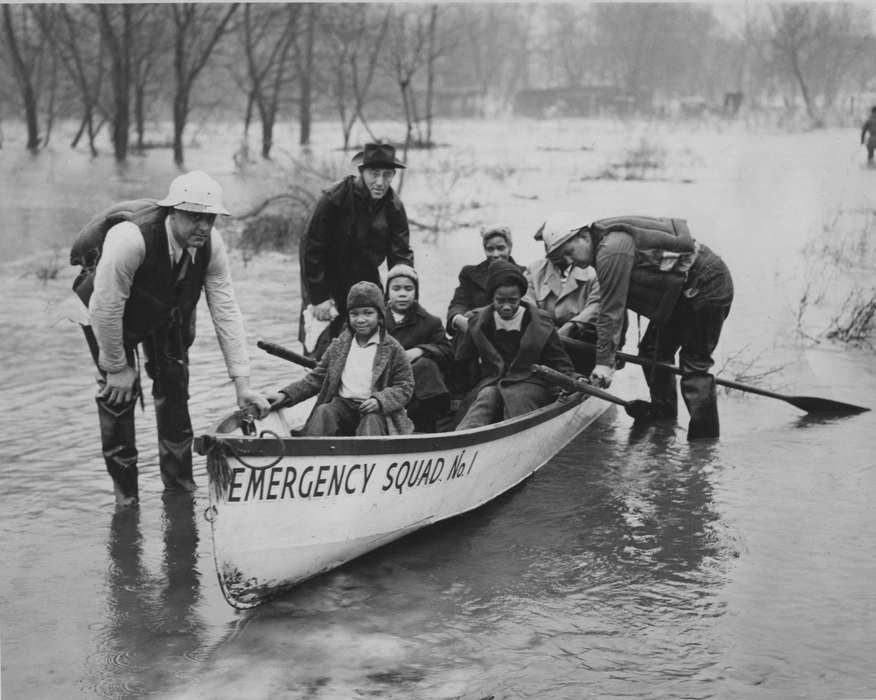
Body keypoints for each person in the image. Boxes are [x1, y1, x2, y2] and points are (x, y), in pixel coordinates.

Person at [80, 171, 271, 506]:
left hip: (168, 311)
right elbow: (105, 306)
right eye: (195, 217)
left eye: (209, 218)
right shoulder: (130, 239)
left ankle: (179, 493)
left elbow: (225, 310)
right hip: (111, 314)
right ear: (173, 212)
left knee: (175, 391)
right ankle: (126, 503)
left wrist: (242, 383)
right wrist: (116, 366)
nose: (203, 226)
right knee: (118, 396)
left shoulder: (212, 245)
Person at [538, 212, 733, 440]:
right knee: (652, 353)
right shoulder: (603, 250)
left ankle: (703, 445)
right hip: (680, 295)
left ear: (583, 235)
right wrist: (612, 353)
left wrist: (603, 364)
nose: (570, 262)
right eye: (563, 258)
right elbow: (619, 302)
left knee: (695, 367)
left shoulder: (611, 250)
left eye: (569, 252)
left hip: (707, 286)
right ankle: (665, 423)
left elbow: (612, 311)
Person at [299, 142, 414, 358]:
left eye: (387, 175)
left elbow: (401, 255)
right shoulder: (334, 198)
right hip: (325, 277)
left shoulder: (394, 206)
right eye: (374, 173)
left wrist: (403, 291)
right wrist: (319, 297)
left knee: (374, 331)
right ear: (361, 172)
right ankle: (319, 381)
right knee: (322, 339)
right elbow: (312, 249)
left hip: (365, 275)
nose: (380, 182)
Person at [270, 281, 415, 436]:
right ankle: (312, 451)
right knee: (324, 411)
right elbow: (315, 379)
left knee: (371, 421)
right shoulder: (339, 346)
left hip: (375, 412)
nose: (360, 319)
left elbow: (405, 386)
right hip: (343, 407)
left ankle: (369, 456)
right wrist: (285, 395)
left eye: (368, 313)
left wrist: (380, 401)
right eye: (355, 314)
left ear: (380, 315)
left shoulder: (393, 349)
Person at [455, 259, 578, 430]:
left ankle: (516, 436)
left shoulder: (540, 322)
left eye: (512, 301)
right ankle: (464, 439)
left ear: (521, 298)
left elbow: (559, 361)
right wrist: (460, 395)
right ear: (492, 298)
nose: (506, 307)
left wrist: (572, 380)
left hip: (531, 382)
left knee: (516, 396)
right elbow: (464, 362)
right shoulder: (478, 322)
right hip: (494, 381)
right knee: (486, 396)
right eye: (500, 301)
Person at [445, 226, 526, 395]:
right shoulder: (470, 273)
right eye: (490, 249)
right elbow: (458, 303)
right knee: (464, 335)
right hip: (473, 332)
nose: (495, 254)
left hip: (507, 328)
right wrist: (460, 319)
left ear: (510, 247)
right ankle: (462, 393)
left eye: (501, 248)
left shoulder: (523, 274)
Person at [384, 265, 452, 433]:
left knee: (426, 367)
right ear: (387, 293)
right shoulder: (376, 320)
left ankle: (425, 428)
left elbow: (447, 350)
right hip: (384, 380)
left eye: (408, 288)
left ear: (416, 293)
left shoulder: (430, 322)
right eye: (396, 288)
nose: (402, 294)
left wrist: (421, 350)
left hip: (417, 389)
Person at [528, 221, 601, 374]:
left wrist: (570, 328)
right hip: (544, 340)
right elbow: (527, 303)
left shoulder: (594, 273)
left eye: (563, 250)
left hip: (581, 342)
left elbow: (596, 307)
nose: (563, 258)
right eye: (552, 249)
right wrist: (546, 330)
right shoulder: (534, 271)